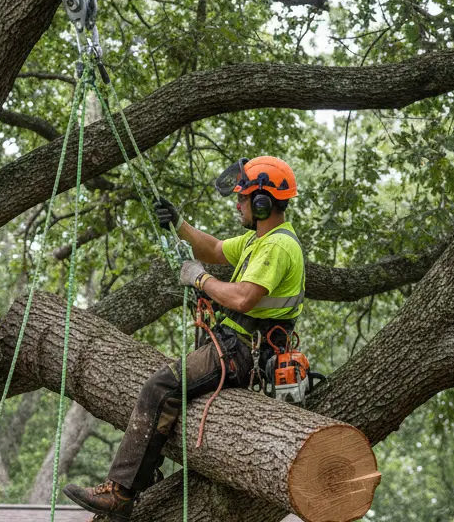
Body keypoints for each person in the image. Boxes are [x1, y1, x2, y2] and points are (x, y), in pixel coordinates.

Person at [62, 156, 306, 521]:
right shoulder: (260, 241)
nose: (237, 204)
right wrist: (179, 224)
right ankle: (144, 476)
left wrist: (199, 279)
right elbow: (212, 249)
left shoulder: (278, 246)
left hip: (243, 352)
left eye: (243, 199)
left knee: (159, 387)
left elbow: (242, 298)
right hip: (234, 344)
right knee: (168, 391)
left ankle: (121, 492)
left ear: (262, 202)